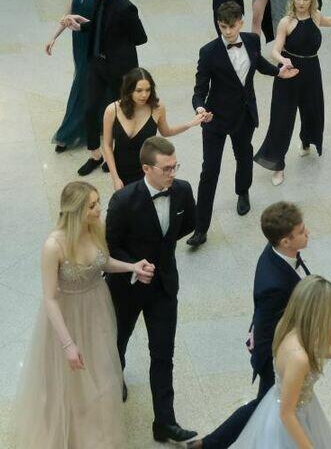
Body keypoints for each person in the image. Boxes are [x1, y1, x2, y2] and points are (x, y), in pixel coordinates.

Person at [12, 181, 150, 448]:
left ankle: (96, 425)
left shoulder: (96, 228)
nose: (99, 209)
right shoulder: (53, 246)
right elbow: (50, 298)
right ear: (75, 211)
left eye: (98, 203)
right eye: (92, 206)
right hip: (67, 314)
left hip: (97, 306)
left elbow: (103, 262)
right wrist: (68, 344)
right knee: (67, 377)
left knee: (100, 366)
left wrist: (132, 267)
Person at [196, 203, 316, 448]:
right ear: (285, 241)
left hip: (279, 342)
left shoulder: (276, 252)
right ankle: (209, 444)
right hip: (275, 355)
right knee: (266, 405)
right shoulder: (276, 284)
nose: (308, 233)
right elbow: (268, 326)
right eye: (302, 231)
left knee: (269, 405)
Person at [104, 135, 198, 444]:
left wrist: (160, 256)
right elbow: (110, 246)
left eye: (175, 166)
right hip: (126, 288)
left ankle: (165, 422)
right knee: (117, 342)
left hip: (164, 286)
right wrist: (134, 266)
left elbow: (187, 225)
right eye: (166, 168)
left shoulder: (183, 191)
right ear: (147, 169)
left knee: (163, 353)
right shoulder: (123, 201)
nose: (173, 173)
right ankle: (114, 380)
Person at [189, 1, 292, 245]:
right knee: (209, 171)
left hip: (243, 115)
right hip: (215, 119)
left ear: (241, 23)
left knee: (244, 156)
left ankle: (243, 191)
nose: (227, 32)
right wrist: (200, 108)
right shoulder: (208, 52)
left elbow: (258, 63)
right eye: (223, 27)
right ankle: (200, 229)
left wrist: (278, 72)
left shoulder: (252, 41)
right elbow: (199, 90)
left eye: (232, 26)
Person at [253, 0, 331, 186]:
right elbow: (275, 50)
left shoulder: (315, 16)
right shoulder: (286, 22)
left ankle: (306, 141)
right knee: (282, 119)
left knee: (312, 110)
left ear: (311, 0)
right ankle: (278, 165)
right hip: (289, 72)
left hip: (311, 70)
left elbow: (329, 21)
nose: (301, 3)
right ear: (292, 0)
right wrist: (283, 60)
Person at [225, 276, 331, 448]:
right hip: (292, 423)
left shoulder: (287, 327)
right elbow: (287, 414)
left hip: (283, 409)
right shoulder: (300, 359)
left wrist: (322, 351)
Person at [78, 0, 147, 176]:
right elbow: (98, 25)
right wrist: (81, 25)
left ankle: (114, 155)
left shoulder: (126, 8)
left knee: (120, 112)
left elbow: (140, 38)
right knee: (90, 109)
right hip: (97, 64)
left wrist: (118, 42)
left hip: (119, 69)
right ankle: (95, 154)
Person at [102, 67, 202, 191]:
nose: (144, 95)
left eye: (148, 90)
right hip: (122, 172)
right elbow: (107, 146)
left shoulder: (157, 108)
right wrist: (115, 178)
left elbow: (166, 132)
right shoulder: (112, 110)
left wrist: (191, 123)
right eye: (139, 90)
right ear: (129, 90)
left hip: (148, 172)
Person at [47, 0, 102, 154]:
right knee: (86, 81)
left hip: (93, 43)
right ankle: (97, 122)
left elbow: (101, 23)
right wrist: (53, 37)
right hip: (78, 43)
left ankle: (66, 134)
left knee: (81, 85)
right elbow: (67, 16)